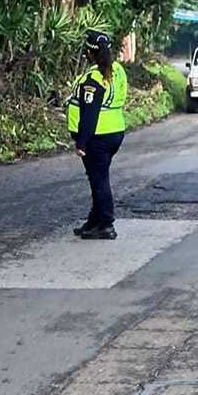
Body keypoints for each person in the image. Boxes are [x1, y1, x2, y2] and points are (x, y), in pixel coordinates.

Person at [68, 30, 128, 240]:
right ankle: (94, 221)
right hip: (115, 131)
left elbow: (90, 113)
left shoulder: (94, 77)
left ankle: (106, 224)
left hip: (97, 136)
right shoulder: (118, 70)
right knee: (98, 177)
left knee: (99, 180)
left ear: (89, 53)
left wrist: (81, 142)